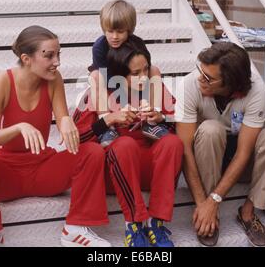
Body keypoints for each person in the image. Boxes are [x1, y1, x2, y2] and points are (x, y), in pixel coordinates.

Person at [0, 26, 111, 247]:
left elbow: (62, 118)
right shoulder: (2, 82)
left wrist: (66, 120)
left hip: (43, 169)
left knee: (93, 151)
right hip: (7, 174)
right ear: (26, 58)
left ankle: (75, 228)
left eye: (58, 54)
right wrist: (19, 127)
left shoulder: (53, 79)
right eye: (49, 55)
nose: (57, 61)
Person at [175, 42, 265, 247]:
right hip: (207, 154)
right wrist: (205, 203)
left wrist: (216, 198)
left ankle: (247, 211)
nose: (201, 77)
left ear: (231, 85)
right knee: (211, 129)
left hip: (239, 156)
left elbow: (244, 153)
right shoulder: (189, 84)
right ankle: (210, 215)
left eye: (209, 78)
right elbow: (184, 150)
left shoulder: (256, 90)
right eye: (201, 70)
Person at [74, 40, 183, 247]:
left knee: (173, 143)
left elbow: (184, 126)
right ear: (117, 74)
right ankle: (133, 225)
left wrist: (161, 118)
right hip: (114, 173)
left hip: (149, 170)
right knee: (124, 144)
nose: (143, 78)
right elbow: (76, 139)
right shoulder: (97, 93)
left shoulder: (155, 88)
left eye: (145, 70)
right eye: (135, 73)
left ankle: (156, 223)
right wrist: (109, 119)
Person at [88, 0, 169, 147]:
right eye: (110, 31)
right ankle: (107, 127)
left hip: (133, 77)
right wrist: (123, 102)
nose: (114, 37)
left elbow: (145, 66)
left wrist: (142, 91)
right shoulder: (99, 47)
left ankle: (152, 120)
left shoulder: (136, 43)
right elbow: (107, 78)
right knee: (95, 77)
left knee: (155, 70)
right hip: (109, 79)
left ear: (129, 30)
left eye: (120, 31)